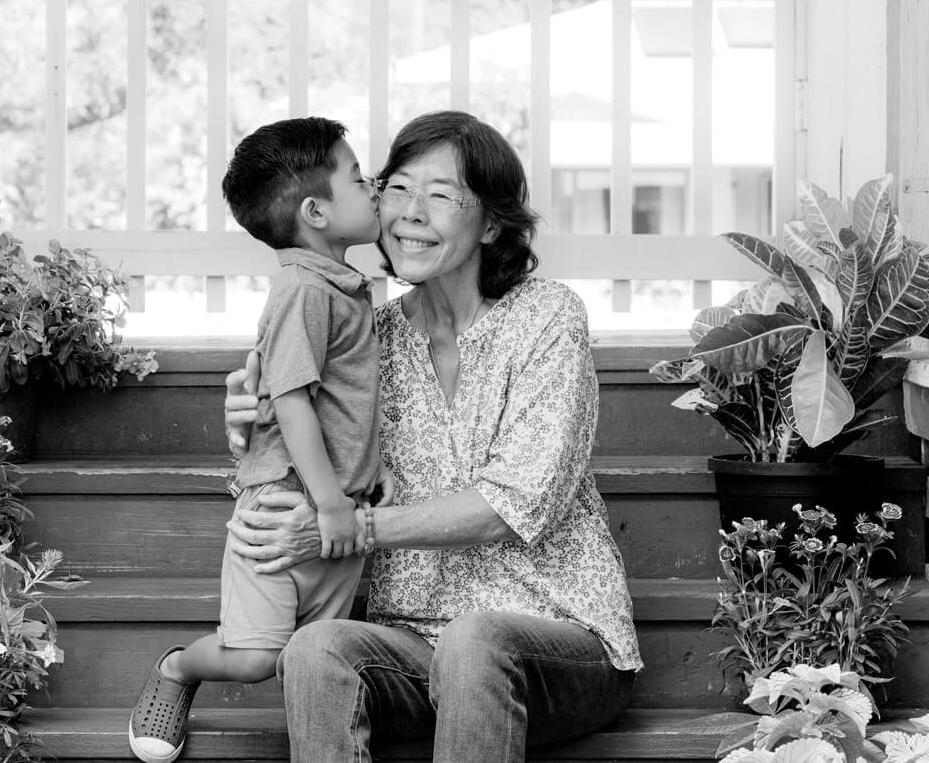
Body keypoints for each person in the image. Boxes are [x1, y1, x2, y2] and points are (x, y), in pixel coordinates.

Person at [223, 110, 643, 763]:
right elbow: (305, 459)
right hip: (414, 647)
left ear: (493, 222)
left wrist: (351, 528)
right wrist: (254, 428)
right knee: (316, 650)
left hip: (562, 640)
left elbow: (514, 503)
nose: (411, 212)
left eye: (441, 195)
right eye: (396, 188)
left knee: (475, 642)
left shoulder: (546, 317)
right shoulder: (365, 339)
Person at [128, 116, 393, 763]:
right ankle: (178, 669)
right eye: (359, 180)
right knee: (254, 658)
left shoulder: (342, 287)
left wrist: (344, 504)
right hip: (287, 507)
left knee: (314, 655)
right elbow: (293, 398)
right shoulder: (303, 290)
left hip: (342, 513)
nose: (376, 191)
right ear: (316, 211)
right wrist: (329, 502)